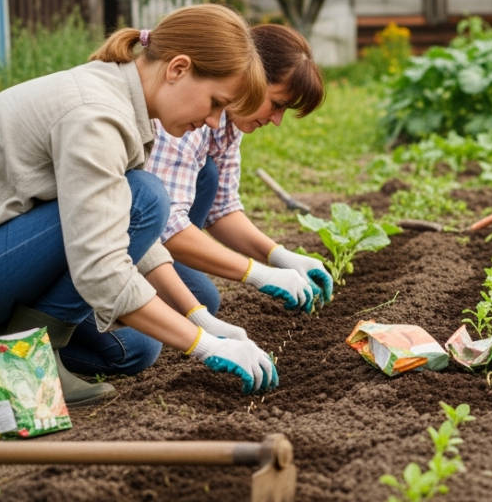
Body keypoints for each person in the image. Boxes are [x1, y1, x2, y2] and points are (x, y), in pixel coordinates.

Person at [0, 4, 280, 405]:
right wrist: (206, 346)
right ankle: (21, 364)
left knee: (137, 347)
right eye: (215, 102)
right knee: (144, 196)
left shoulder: (117, 96)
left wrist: (197, 317)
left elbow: (116, 224)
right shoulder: (97, 115)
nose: (215, 122)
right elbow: (101, 264)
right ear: (178, 68)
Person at [65, 25, 331, 367]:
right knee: (139, 347)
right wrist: (257, 273)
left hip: (131, 239)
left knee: (202, 293)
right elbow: (165, 225)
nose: (277, 120)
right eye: (277, 104)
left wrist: (279, 257)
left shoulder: (226, 124)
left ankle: (140, 299)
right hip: (103, 243)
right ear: (250, 76)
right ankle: (57, 331)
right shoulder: (184, 116)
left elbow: (222, 209)